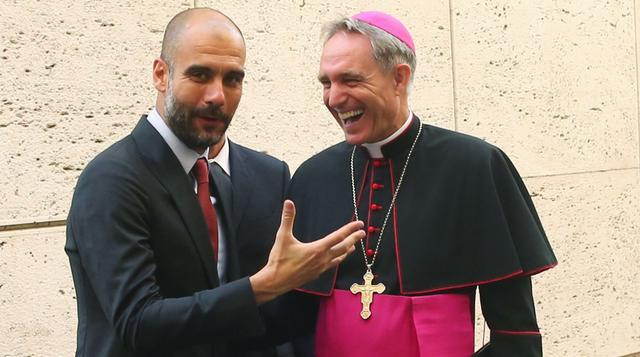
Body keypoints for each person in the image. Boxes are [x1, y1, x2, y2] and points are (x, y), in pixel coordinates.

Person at [64, 8, 365, 357]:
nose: (217, 95)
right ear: (161, 75)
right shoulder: (111, 180)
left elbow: (250, 322)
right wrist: (261, 288)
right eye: (200, 75)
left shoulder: (231, 175)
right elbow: (137, 322)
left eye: (232, 79)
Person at [287, 11, 557, 356]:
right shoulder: (313, 176)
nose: (334, 98)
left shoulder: (475, 166)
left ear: (399, 78)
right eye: (327, 82)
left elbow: (515, 335)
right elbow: (293, 322)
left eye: (350, 80)